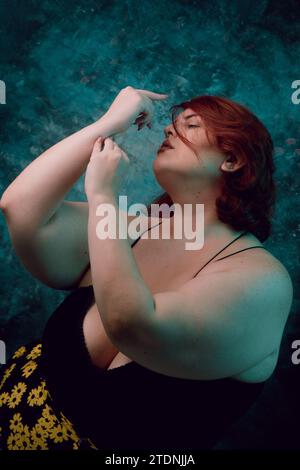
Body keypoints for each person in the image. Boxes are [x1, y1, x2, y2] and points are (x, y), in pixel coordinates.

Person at [0, 86, 293, 450]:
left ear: (231, 159)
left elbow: (132, 325)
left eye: (190, 125)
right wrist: (107, 124)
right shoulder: (134, 228)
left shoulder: (263, 281)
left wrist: (104, 197)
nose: (170, 129)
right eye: (172, 123)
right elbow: (21, 209)